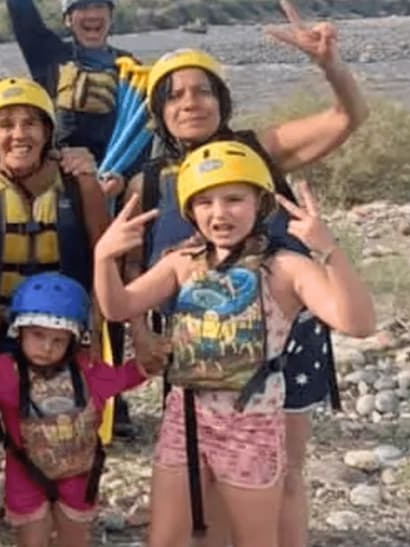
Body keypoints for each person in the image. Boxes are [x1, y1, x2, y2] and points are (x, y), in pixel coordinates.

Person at [127, 2, 368, 547]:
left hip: (284, 339)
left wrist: (331, 66)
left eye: (203, 91)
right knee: (206, 481)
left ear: (222, 100)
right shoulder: (149, 182)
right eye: (175, 95)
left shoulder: (261, 150)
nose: (190, 102)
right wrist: (141, 333)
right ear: (159, 112)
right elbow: (134, 264)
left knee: (285, 474)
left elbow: (347, 118)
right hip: (200, 347)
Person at [95, 141, 376, 547]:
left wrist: (329, 250)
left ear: (260, 203)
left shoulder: (286, 268)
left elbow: (359, 324)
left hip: (252, 425)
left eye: (234, 199)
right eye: (204, 202)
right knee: (165, 539)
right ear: (190, 211)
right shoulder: (183, 262)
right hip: (186, 418)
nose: (219, 213)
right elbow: (118, 307)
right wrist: (103, 257)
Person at [0, 76, 108, 545]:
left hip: (62, 342)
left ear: (48, 132)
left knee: (64, 447)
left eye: (30, 122)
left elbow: (105, 261)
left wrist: (98, 335)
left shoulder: (79, 186)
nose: (19, 134)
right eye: (6, 124)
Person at [6, 0, 151, 436]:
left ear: (110, 16)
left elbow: (148, 134)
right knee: (58, 288)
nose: (91, 17)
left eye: (99, 9)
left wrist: (123, 179)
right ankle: (43, 390)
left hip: (112, 192)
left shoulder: (130, 67)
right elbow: (17, 3)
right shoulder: (49, 55)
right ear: (68, 18)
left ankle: (112, 398)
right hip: (59, 192)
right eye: (82, 9)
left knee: (108, 291)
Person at [0, 272, 167, 547]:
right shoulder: (3, 372)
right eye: (38, 335)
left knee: (75, 540)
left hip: (79, 478)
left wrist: (155, 354)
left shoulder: (88, 371)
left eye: (58, 340)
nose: (47, 347)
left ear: (74, 340)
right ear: (18, 331)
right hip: (26, 476)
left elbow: (131, 374)